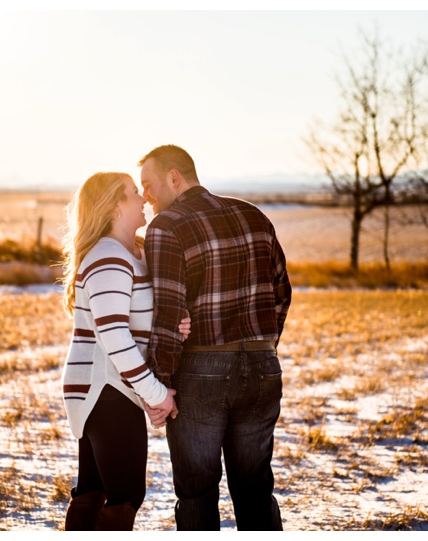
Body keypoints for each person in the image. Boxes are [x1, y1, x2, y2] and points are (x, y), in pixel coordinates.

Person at [139, 145, 292, 531]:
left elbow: (169, 314)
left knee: (197, 493)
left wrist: (160, 384)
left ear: (175, 177)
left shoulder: (167, 225)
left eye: (149, 185)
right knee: (255, 489)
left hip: (200, 370)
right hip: (262, 367)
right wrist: (261, 347)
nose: (145, 196)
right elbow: (282, 292)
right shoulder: (254, 215)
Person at [60, 171, 190, 531]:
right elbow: (114, 335)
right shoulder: (108, 257)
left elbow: (135, 319)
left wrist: (175, 324)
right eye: (135, 193)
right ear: (116, 206)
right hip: (105, 390)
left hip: (114, 388)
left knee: (94, 488)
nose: (144, 198)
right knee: (125, 495)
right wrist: (157, 393)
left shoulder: (132, 253)